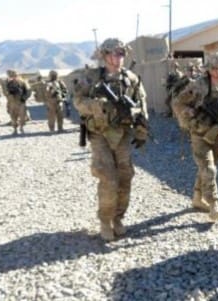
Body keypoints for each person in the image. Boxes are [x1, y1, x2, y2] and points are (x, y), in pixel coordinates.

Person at [73, 38, 149, 241]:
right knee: (108, 177)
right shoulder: (90, 77)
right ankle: (105, 221)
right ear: (105, 55)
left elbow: (142, 105)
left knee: (125, 177)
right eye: (114, 53)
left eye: (122, 53)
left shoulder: (131, 78)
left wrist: (142, 130)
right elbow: (78, 101)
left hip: (122, 134)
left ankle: (118, 218)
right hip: (100, 134)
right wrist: (98, 105)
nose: (119, 58)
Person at [172, 52, 218, 221]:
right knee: (209, 169)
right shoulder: (198, 86)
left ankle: (197, 198)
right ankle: (214, 205)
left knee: (208, 167)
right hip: (199, 132)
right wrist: (187, 114)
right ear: (211, 70)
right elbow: (178, 103)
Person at [4, 69, 31, 134]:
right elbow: (5, 92)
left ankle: (21, 128)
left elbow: (28, 91)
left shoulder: (23, 82)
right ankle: (15, 129)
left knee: (22, 116)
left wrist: (24, 98)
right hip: (12, 102)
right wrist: (9, 94)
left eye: (13, 75)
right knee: (13, 116)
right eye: (11, 75)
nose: (12, 76)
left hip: (20, 102)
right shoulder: (8, 83)